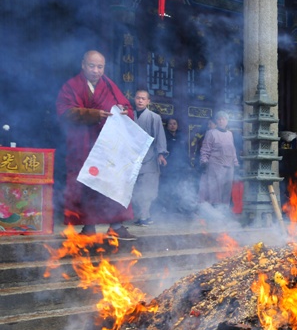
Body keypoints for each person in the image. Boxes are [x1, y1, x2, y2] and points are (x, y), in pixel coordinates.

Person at [55, 50, 136, 240]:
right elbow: (64, 112)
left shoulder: (109, 85)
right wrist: (92, 114)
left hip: (107, 145)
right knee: (87, 185)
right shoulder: (72, 86)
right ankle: (88, 227)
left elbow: (126, 107)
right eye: (92, 66)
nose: (96, 70)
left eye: (100, 67)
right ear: (83, 65)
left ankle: (116, 225)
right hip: (83, 144)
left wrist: (124, 111)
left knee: (112, 183)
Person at [131, 89, 167, 226]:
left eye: (143, 98)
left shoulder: (154, 117)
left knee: (147, 188)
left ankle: (144, 216)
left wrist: (161, 154)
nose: (140, 101)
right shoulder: (129, 115)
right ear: (134, 99)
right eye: (138, 98)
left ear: (148, 101)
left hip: (150, 157)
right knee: (134, 189)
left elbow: (160, 137)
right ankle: (142, 215)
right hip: (132, 157)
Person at [198, 111, 239, 207]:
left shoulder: (230, 134)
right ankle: (214, 211)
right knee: (215, 189)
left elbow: (232, 150)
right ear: (216, 121)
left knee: (226, 189)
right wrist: (204, 161)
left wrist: (236, 163)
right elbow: (205, 149)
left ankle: (224, 211)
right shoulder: (211, 133)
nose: (221, 121)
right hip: (215, 165)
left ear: (227, 121)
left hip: (229, 165)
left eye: (223, 119)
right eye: (219, 119)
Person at [160, 117, 194, 214]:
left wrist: (188, 164)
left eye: (174, 123)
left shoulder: (181, 136)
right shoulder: (164, 136)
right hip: (168, 166)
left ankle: (178, 208)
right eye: (170, 124)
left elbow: (184, 151)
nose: (172, 125)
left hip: (180, 167)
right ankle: (165, 208)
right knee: (167, 187)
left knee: (178, 187)